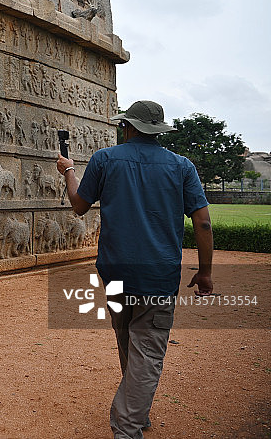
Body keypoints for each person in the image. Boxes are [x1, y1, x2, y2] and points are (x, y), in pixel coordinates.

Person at [56, 100, 214, 439]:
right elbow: (202, 222)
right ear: (158, 131)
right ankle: (130, 424)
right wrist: (205, 272)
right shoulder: (181, 166)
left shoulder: (104, 159)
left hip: (115, 271)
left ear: (127, 127)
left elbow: (79, 205)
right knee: (147, 348)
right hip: (159, 274)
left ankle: (131, 420)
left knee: (127, 339)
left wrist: (69, 171)